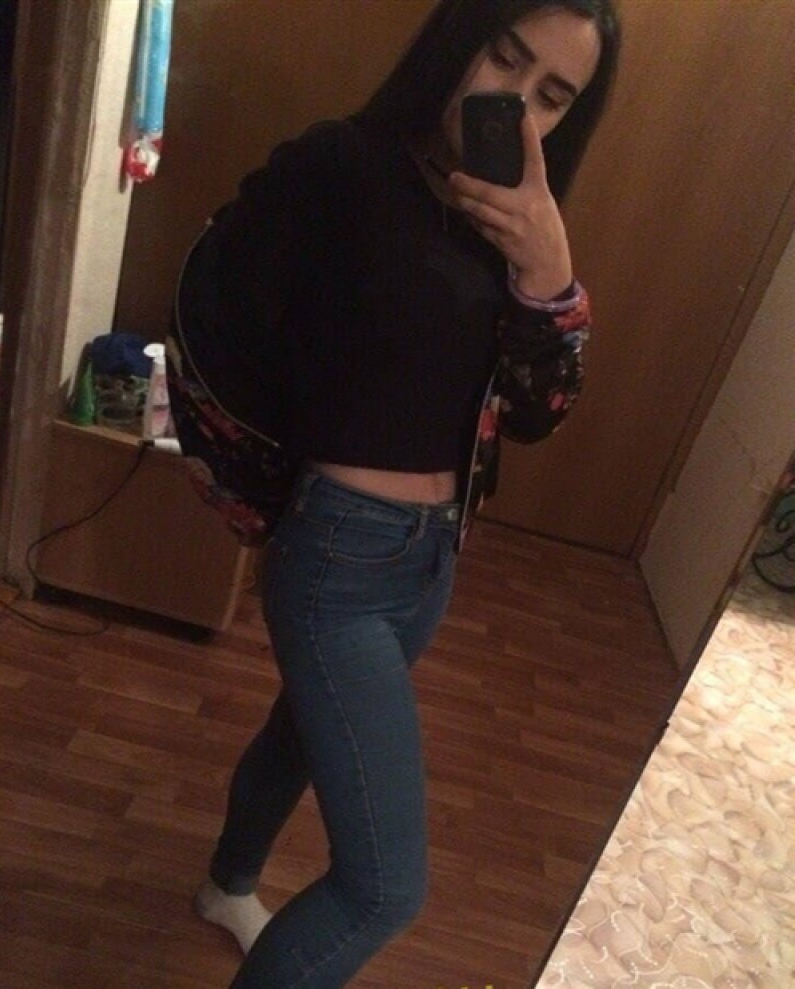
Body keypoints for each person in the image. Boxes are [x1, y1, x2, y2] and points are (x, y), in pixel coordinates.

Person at [166, 1, 621, 986]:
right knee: (383, 888)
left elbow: (536, 413)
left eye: (552, 95)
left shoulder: (513, 223)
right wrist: (261, 484)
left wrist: (549, 277)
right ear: (460, 39)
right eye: (506, 57)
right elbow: (212, 307)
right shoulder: (343, 165)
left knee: (299, 732)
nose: (516, 101)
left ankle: (226, 884)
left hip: (429, 560)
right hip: (337, 554)